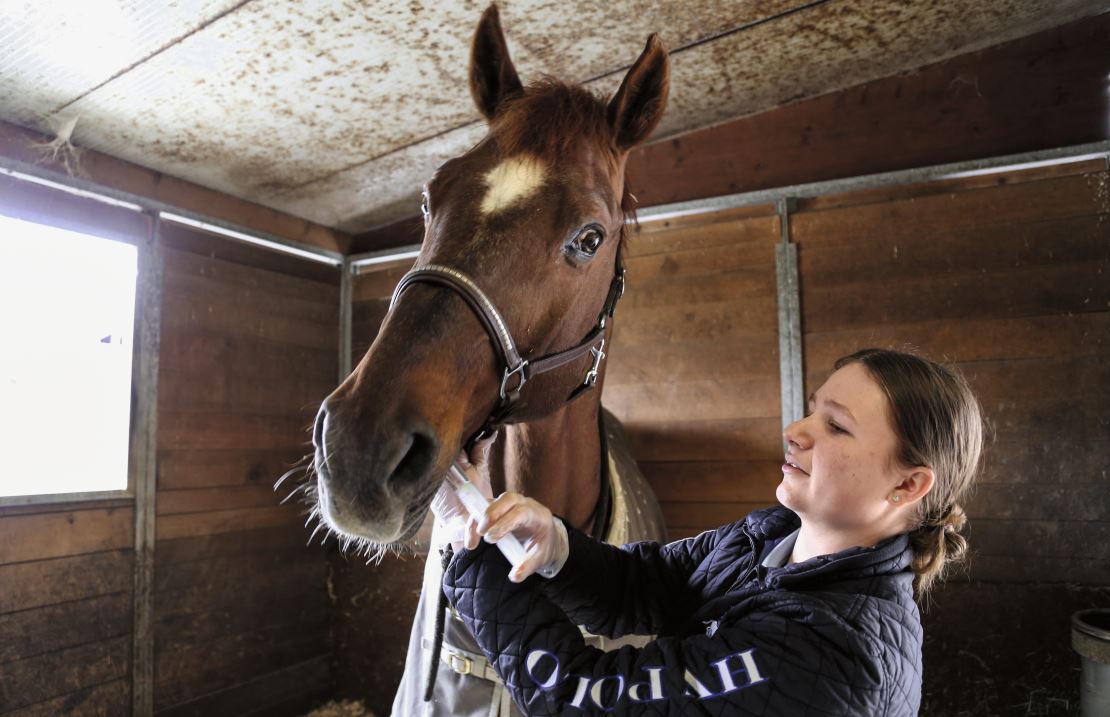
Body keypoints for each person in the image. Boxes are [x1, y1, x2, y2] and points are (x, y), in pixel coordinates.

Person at [439, 348, 984, 716]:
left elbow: (586, 697)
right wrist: (553, 546)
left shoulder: (833, 653)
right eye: (813, 412)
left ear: (908, 485)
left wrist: (468, 546)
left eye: (836, 426)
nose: (795, 432)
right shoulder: (771, 535)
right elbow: (643, 584)